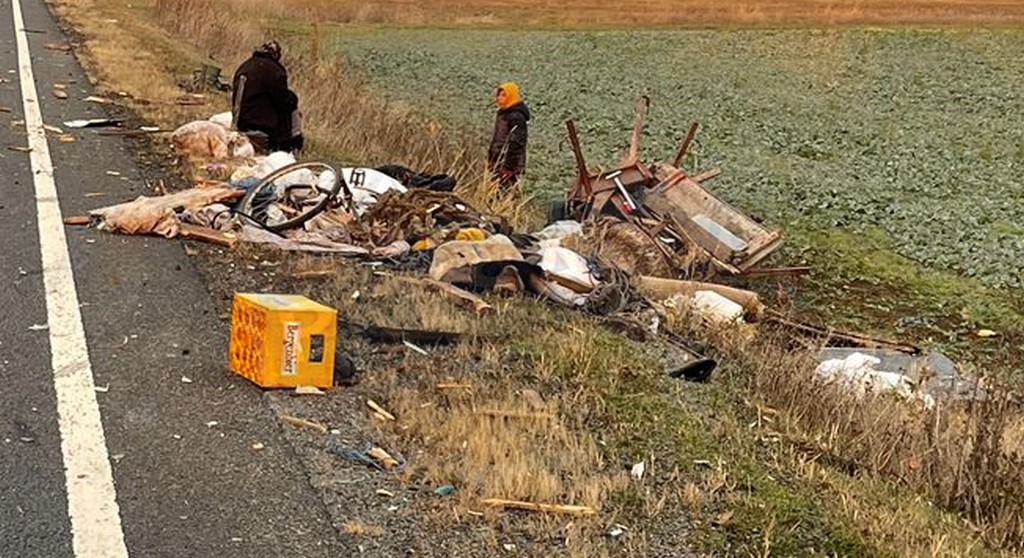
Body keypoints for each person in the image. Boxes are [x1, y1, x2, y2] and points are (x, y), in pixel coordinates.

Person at [231, 40, 303, 153]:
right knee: (291, 103)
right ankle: (292, 145)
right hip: (262, 127)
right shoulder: (275, 71)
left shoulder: (245, 66)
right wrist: (293, 99)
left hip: (241, 123)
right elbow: (283, 101)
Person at [487, 81, 530, 189]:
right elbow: (498, 140)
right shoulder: (504, 113)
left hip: (509, 166)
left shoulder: (516, 117)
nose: (499, 98)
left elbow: (517, 144)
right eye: (498, 95)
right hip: (498, 163)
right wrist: (492, 159)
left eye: (503, 95)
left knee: (506, 191)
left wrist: (508, 168)